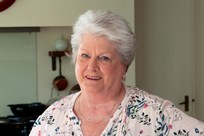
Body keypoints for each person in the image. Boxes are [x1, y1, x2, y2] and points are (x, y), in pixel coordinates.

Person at [29, 10, 204, 136]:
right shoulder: (50, 119)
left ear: (124, 66)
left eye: (104, 58)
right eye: (85, 55)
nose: (92, 66)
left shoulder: (156, 115)